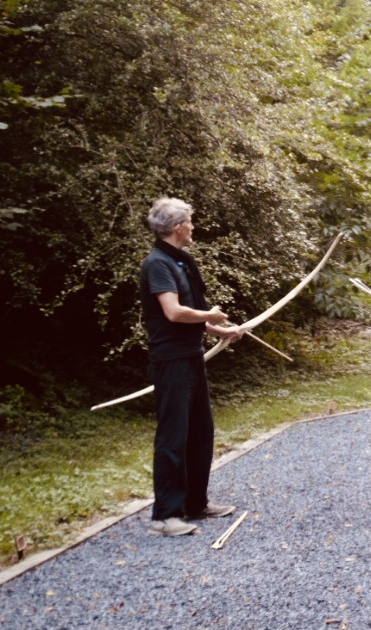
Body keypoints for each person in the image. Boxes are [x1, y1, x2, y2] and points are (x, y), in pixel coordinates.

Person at [138, 197, 243, 537]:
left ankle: (195, 504)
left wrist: (220, 330)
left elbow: (191, 315)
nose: (193, 227)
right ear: (177, 227)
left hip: (192, 356)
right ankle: (165, 516)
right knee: (173, 437)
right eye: (190, 221)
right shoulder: (157, 264)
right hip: (171, 361)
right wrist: (210, 315)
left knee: (200, 432)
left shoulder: (181, 262)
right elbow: (173, 312)